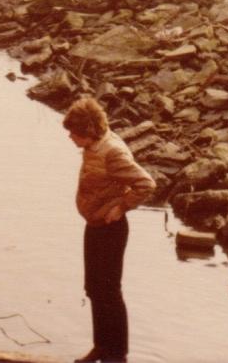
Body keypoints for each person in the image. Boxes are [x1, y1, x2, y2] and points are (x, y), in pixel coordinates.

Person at [63, 96, 156, 363]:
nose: (70, 137)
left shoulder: (112, 152)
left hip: (111, 229)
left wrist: (121, 207)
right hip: (94, 225)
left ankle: (117, 355)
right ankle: (101, 347)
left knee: (109, 292)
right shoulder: (95, 144)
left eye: (73, 132)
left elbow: (146, 184)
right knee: (93, 288)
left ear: (88, 131)